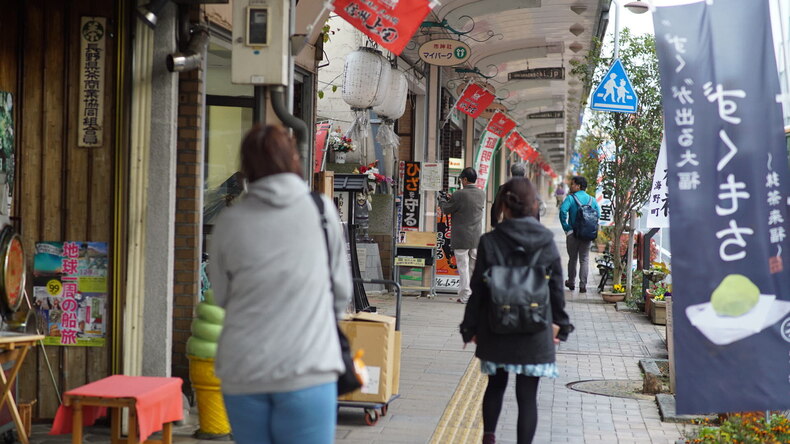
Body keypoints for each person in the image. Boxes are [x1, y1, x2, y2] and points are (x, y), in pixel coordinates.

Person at [208, 125, 352, 444]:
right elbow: (340, 291)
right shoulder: (321, 211)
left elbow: (222, 296)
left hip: (243, 369)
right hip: (309, 367)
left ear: (247, 166)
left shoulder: (230, 221)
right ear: (293, 159)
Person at [460, 177, 574, 444]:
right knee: (527, 396)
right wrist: (561, 324)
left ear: (505, 206)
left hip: (496, 325)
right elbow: (556, 287)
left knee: (495, 386)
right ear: (534, 205)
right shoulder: (545, 239)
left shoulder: (490, 240)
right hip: (535, 328)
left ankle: (489, 437)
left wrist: (470, 327)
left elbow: (478, 289)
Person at [439, 167, 486, 304]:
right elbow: (467, 207)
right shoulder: (481, 194)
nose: (461, 181)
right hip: (476, 236)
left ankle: (465, 295)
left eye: (461, 179)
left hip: (461, 236)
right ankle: (473, 294)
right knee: (472, 267)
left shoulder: (459, 194)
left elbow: (446, 209)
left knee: (463, 266)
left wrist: (442, 201)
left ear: (465, 179)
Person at [558, 175, 601, 293]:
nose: (571, 186)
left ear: (578, 186)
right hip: (587, 235)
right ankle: (583, 285)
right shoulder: (592, 200)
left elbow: (563, 211)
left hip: (573, 233)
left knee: (572, 258)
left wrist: (566, 227)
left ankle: (571, 282)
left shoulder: (571, 198)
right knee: (585, 259)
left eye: (572, 184)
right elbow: (598, 214)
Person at [492, 163, 529, 227]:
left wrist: (494, 223)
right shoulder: (530, 190)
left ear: (512, 173)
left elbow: (496, 207)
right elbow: (535, 209)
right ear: (524, 174)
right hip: (525, 227)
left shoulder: (503, 188)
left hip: (507, 226)